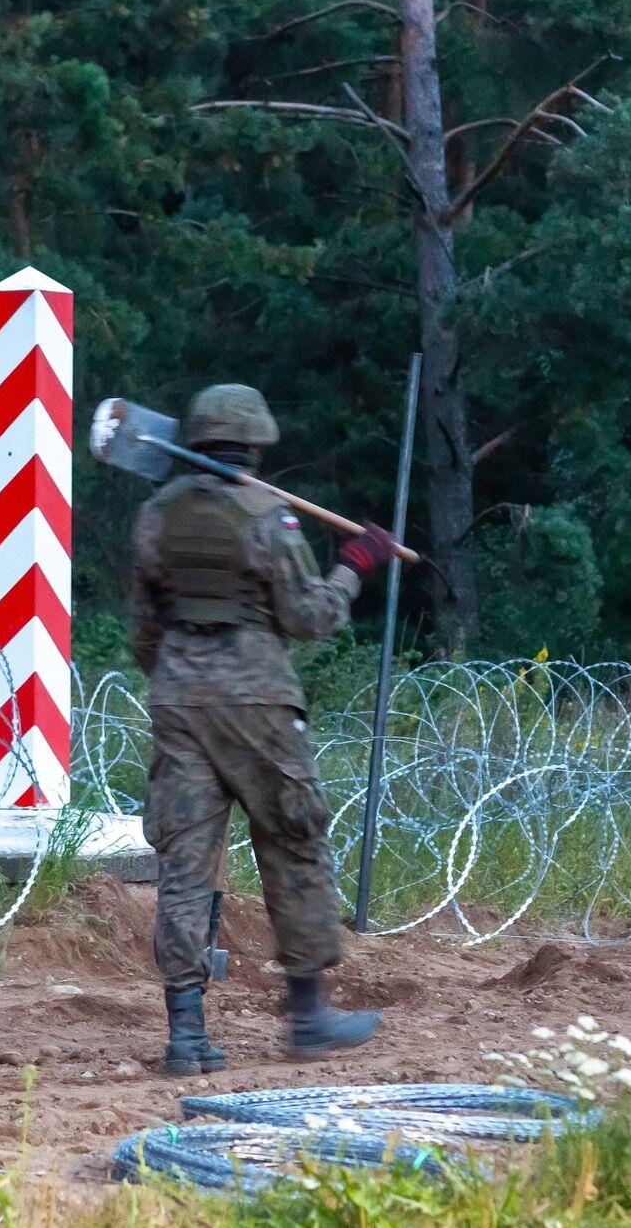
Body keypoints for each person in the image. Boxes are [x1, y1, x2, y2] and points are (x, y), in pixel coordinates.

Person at [127, 383, 397, 1073]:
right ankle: (309, 1017)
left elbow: (143, 629)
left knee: (184, 866)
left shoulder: (156, 514)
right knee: (294, 842)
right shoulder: (265, 513)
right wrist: (355, 566)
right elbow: (308, 617)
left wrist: (182, 678)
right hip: (258, 702)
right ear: (253, 443)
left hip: (179, 698)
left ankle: (186, 1034)